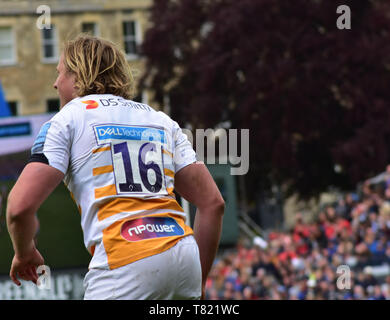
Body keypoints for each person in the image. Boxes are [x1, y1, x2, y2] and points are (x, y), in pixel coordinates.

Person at [6, 35, 224, 300]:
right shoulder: (161, 120)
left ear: (78, 75)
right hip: (184, 257)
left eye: (60, 73)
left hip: (124, 260)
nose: (55, 83)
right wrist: (197, 280)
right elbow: (213, 203)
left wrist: (24, 252)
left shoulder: (67, 119)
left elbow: (18, 209)